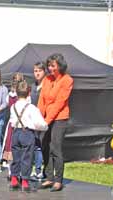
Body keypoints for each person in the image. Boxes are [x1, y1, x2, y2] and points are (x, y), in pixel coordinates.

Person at [38, 53, 74, 192]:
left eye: (53, 66)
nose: (50, 68)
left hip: (60, 118)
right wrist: (40, 119)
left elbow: (59, 103)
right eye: (49, 66)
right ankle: (48, 177)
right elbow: (42, 99)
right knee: (45, 146)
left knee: (55, 148)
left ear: (60, 66)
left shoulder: (67, 80)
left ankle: (58, 180)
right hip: (46, 118)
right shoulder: (47, 79)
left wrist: (47, 120)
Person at [9, 80, 48, 192]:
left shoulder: (13, 107)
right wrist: (45, 126)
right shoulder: (32, 108)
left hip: (16, 132)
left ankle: (14, 180)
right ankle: (25, 182)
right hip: (27, 133)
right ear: (29, 93)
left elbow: (12, 121)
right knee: (27, 157)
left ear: (16, 92)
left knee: (16, 157)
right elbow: (39, 124)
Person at [2, 72, 25, 176]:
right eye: (15, 80)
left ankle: (17, 173)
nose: (16, 82)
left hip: (20, 125)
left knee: (18, 147)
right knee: (11, 147)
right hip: (13, 125)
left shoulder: (24, 95)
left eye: (18, 80)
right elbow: (4, 105)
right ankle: (12, 173)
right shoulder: (10, 95)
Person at [31, 62, 47, 180]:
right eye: (35, 71)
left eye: (39, 71)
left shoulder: (47, 85)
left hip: (44, 119)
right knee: (35, 145)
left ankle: (42, 170)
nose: (37, 73)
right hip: (33, 120)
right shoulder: (32, 86)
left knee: (42, 146)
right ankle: (36, 170)